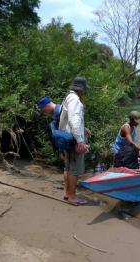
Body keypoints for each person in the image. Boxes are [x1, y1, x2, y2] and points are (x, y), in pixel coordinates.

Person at [59, 76, 90, 205]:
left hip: (66, 137)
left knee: (68, 167)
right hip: (73, 139)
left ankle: (67, 194)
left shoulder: (68, 97)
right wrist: (80, 141)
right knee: (75, 170)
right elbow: (74, 120)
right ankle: (72, 197)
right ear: (81, 89)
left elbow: (69, 119)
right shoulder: (75, 99)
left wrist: (84, 128)